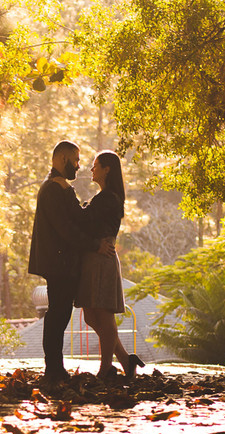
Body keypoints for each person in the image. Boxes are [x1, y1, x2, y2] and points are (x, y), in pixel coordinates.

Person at [27, 141, 110, 384]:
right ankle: (53, 368)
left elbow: (76, 217)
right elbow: (67, 229)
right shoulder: (54, 189)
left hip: (61, 263)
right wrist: (96, 245)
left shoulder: (59, 187)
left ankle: (55, 367)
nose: (79, 165)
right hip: (58, 263)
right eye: (75, 160)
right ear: (63, 159)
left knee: (60, 315)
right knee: (57, 315)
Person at [65, 149, 145, 379]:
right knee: (91, 315)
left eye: (95, 165)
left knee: (103, 313)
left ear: (107, 169)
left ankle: (106, 368)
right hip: (92, 257)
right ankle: (125, 360)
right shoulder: (102, 198)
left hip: (101, 257)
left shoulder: (108, 198)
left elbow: (82, 220)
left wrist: (70, 199)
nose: (91, 169)